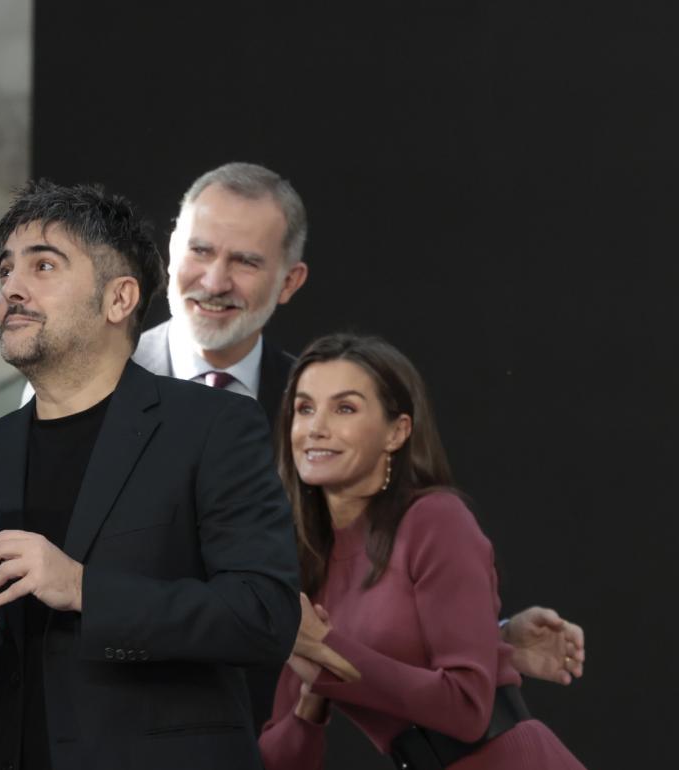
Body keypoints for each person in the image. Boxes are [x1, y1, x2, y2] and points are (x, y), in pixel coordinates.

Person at [0, 180, 301, 770]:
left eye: (43, 266)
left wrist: (82, 588)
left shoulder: (212, 428)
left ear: (119, 298)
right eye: (5, 271)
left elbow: (262, 615)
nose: (10, 291)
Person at [134, 162, 586, 731]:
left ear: (290, 281)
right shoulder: (86, 388)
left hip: (248, 748)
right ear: (170, 251)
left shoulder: (318, 413)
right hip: (104, 739)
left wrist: (487, 643)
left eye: (246, 261)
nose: (216, 280)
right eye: (200, 251)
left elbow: (357, 584)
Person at [258, 333, 604, 770]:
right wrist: (312, 697)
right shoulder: (306, 570)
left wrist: (329, 655)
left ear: (397, 432)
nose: (316, 427)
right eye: (304, 408)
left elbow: (467, 707)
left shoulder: (435, 520)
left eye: (345, 408)